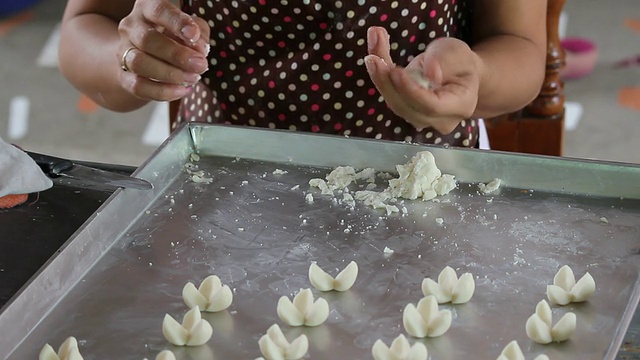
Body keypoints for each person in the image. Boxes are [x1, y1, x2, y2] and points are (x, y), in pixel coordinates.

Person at [58, 0, 547, 148]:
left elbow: (521, 48)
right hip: (224, 175)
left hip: (426, 174)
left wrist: (475, 76)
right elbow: (84, 27)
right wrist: (131, 60)